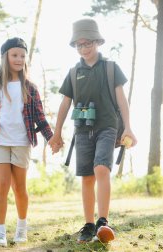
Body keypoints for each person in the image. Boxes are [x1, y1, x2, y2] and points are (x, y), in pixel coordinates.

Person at [49, 19, 137, 244]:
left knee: (101, 168)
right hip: (82, 130)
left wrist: (128, 127)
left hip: (107, 127)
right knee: (87, 177)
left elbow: (122, 99)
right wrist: (57, 133)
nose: (83, 48)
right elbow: (64, 104)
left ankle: (102, 221)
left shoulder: (110, 68)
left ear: (97, 42)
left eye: (87, 43)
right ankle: (89, 225)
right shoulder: (73, 72)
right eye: (79, 45)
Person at [0, 37, 53, 248]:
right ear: (5, 57)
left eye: (22, 55)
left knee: (19, 187)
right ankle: (0, 233)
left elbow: (40, 117)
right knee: (1, 186)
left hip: (22, 141)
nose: (19, 59)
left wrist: (52, 138)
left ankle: (22, 227)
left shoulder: (30, 87)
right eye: (15, 55)